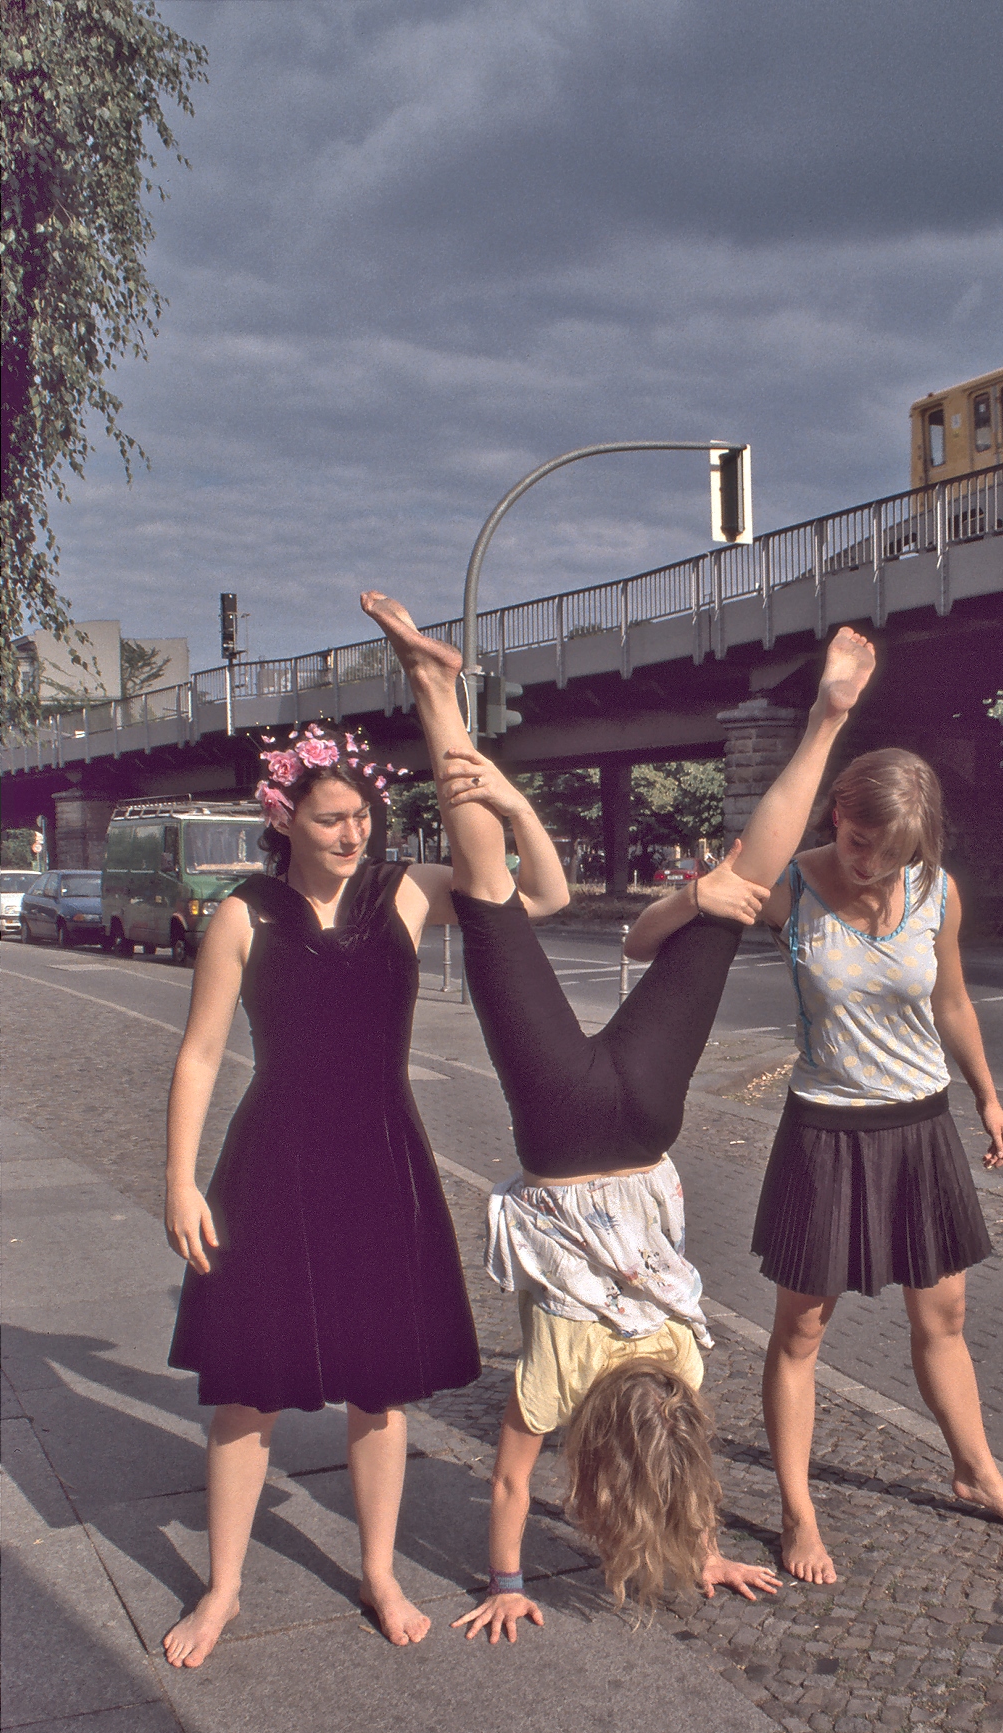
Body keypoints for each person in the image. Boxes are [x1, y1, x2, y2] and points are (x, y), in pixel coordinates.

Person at [359, 590, 877, 1640]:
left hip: (642, 1126)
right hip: (558, 1130)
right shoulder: (556, 1386)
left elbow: (670, 1464)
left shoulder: (684, 1364)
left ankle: (826, 721)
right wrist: (505, 1585)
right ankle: (432, 695)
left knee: (735, 890)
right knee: (489, 890)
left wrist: (710, 1547)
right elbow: (508, 1492)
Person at [159, 723, 571, 1663]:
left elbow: (544, 895)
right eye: (333, 818)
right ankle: (223, 1589)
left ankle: (379, 1571)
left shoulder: (411, 893)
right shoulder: (243, 915)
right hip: (272, 1163)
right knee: (246, 1391)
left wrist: (506, 801)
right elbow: (201, 1054)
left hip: (383, 1160)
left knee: (380, 1391)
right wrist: (179, 1180)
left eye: (364, 818)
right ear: (286, 819)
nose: (355, 835)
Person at [752, 747, 1003, 1585]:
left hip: (921, 1127)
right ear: (837, 816)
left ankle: (976, 1469)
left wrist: (988, 1096)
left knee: (945, 1316)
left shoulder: (935, 890)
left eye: (890, 853)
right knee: (802, 1328)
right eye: (858, 843)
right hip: (827, 1130)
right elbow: (706, 905)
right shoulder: (792, 887)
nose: (870, 865)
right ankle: (796, 1511)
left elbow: (950, 999)